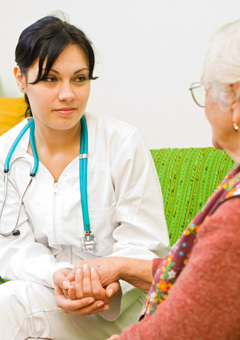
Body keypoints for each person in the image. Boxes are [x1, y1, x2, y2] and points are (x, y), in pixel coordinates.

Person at [63, 19, 240, 340]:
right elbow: (205, 276)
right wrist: (121, 267)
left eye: (206, 90)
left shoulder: (234, 218)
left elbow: (173, 331)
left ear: (237, 103)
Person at [0, 15, 170, 340]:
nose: (68, 94)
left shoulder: (122, 143)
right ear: (20, 79)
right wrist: (58, 277)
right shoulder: (5, 156)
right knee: (10, 302)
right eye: (51, 79)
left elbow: (145, 243)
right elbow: (11, 246)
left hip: (122, 307)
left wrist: (106, 286)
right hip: (49, 296)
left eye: (79, 79)